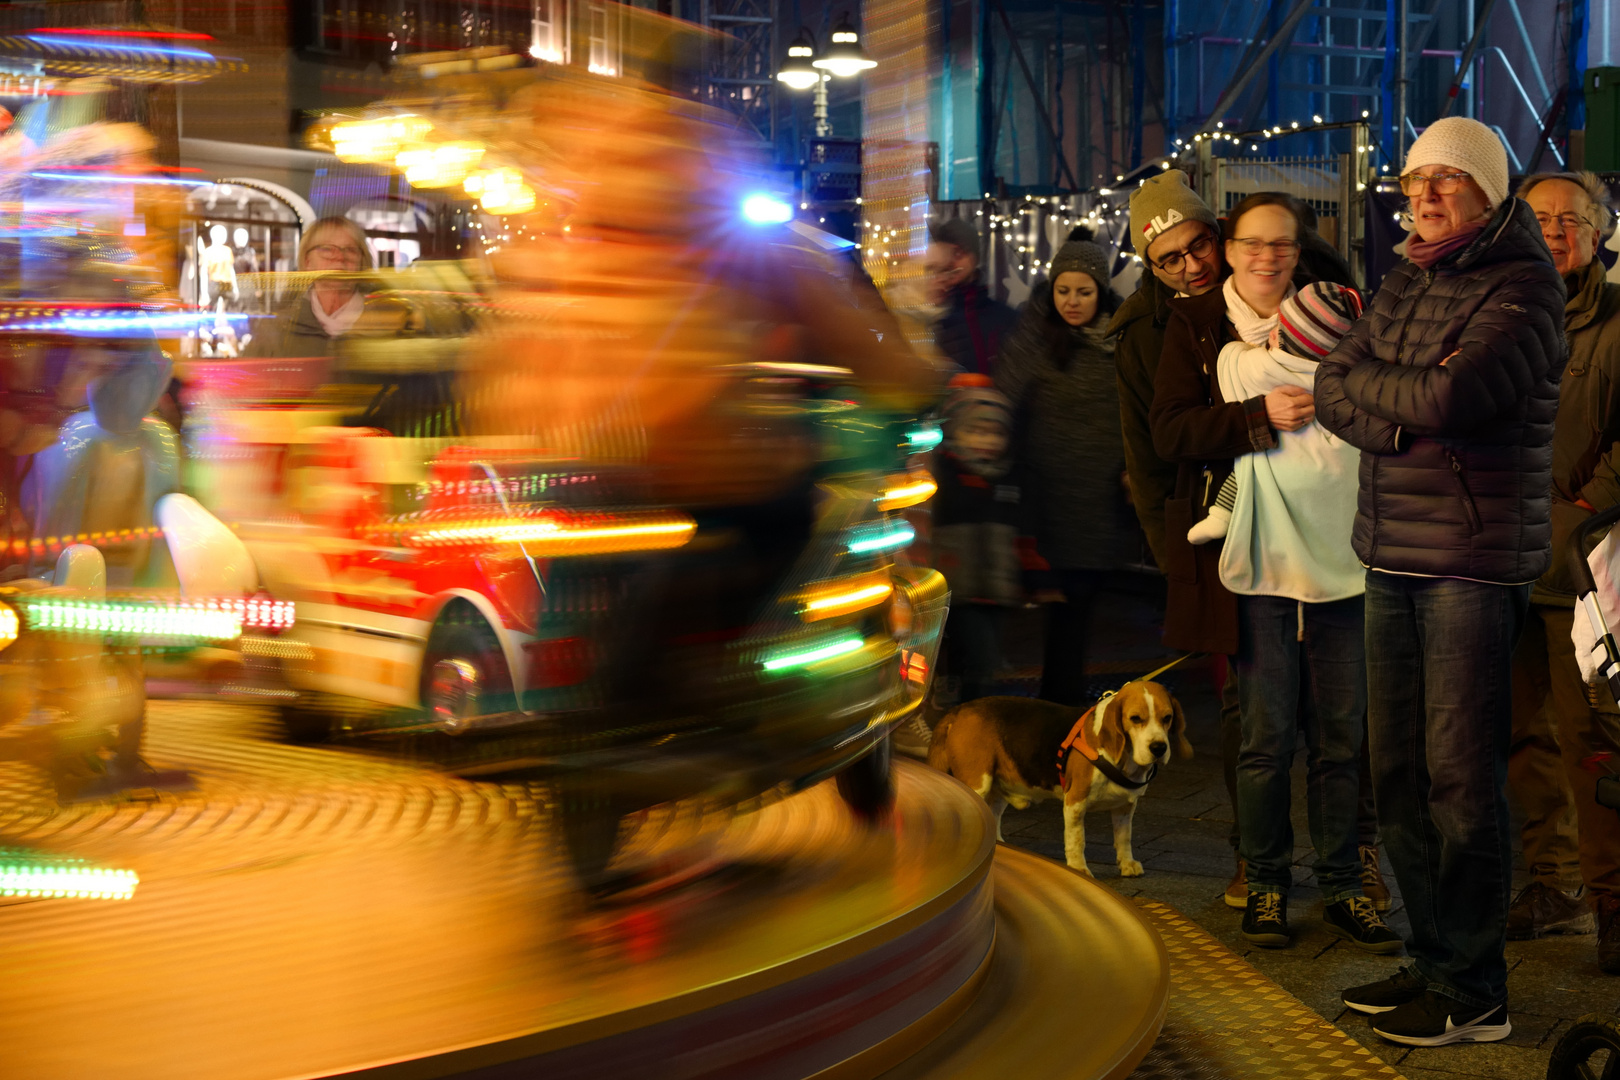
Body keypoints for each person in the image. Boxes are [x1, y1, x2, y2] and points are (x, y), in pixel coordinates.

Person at [1316, 116, 1567, 1045]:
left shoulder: (1526, 289)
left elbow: (1453, 399)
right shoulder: (1407, 277)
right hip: (1388, 552)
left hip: (1469, 556)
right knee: (1398, 771)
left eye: (1444, 182)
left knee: (1462, 779)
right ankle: (1432, 958)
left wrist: (1381, 394)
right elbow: (1335, 379)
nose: (1422, 198)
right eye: (1414, 181)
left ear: (1489, 190)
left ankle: (1476, 989)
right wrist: (1395, 409)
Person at [1151, 194, 1397, 954]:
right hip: (1254, 557)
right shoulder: (1200, 330)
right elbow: (1168, 431)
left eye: (1281, 245)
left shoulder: (1340, 320)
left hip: (1343, 553)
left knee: (1341, 732)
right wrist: (1259, 419)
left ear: (1298, 250)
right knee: (1261, 731)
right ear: (1228, 249)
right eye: (1252, 244)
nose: (1266, 257)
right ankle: (1263, 881)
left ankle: (1344, 884)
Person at [1508, 170, 1620, 968]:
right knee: (1519, 735)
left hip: (1580, 566)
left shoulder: (1617, 323)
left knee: (1592, 740)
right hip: (1497, 560)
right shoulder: (1499, 313)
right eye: (1538, 217)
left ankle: (1613, 902)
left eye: (1571, 218)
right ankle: (1552, 882)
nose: (1554, 230)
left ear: (1600, 230)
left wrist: (1588, 513)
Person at [994, 240, 1135, 706]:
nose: (1072, 301)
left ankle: (1062, 706)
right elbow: (1004, 402)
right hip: (1046, 499)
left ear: (1102, 293)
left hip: (1098, 499)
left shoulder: (1121, 338)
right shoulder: (1034, 336)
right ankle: (1055, 707)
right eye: (1063, 290)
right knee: (1058, 611)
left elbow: (1138, 408)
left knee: (1079, 606)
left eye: (1084, 292)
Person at [1188, 283, 1365, 545]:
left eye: (1280, 327)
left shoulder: (1263, 367)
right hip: (1327, 467)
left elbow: (1233, 357)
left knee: (1251, 469)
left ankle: (1221, 514)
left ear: (1281, 339)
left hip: (1276, 453)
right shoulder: (1341, 378)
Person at [931, 374, 1021, 704]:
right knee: (976, 658)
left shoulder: (1008, 479)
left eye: (995, 433)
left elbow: (1021, 531)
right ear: (955, 432)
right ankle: (969, 709)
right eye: (974, 431)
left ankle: (967, 705)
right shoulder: (944, 475)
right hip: (957, 587)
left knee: (983, 657)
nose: (986, 441)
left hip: (996, 589)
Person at [244, 216, 375, 359]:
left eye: (350, 250)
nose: (340, 257)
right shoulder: (275, 331)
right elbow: (241, 378)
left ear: (362, 261)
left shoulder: (386, 326)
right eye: (327, 249)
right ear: (307, 262)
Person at [927, 217, 1017, 376]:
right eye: (947, 254)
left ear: (974, 258)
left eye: (959, 253)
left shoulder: (1004, 316)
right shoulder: (935, 315)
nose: (952, 261)